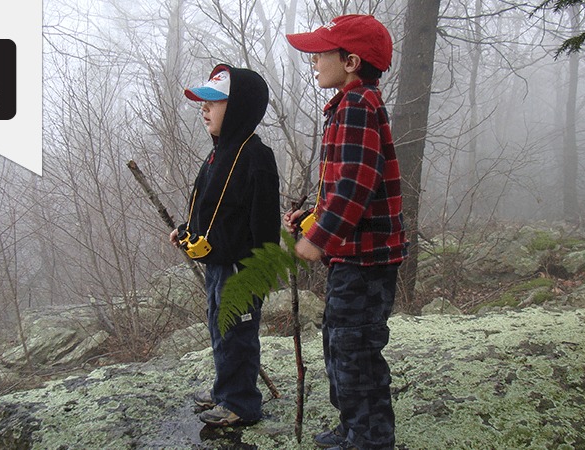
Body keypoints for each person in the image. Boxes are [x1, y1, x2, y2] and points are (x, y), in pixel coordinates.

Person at [284, 14, 407, 450]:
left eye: (321, 54)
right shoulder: (348, 105)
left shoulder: (357, 106)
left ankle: (370, 439)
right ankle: (353, 427)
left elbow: (357, 183)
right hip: (352, 256)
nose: (314, 61)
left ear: (351, 62)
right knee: (338, 344)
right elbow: (342, 185)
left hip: (366, 260)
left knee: (355, 351)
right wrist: (312, 217)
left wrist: (318, 238)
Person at [169, 64, 280, 427]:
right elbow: (210, 204)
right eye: (204, 101)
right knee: (220, 330)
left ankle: (241, 403)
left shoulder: (255, 156)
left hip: (241, 267)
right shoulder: (219, 153)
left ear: (239, 108)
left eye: (214, 102)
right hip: (218, 264)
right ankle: (225, 390)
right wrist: (187, 230)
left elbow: (265, 220)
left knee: (237, 334)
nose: (204, 108)